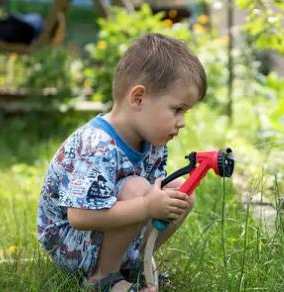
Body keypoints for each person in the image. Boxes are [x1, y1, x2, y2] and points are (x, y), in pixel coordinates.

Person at [37, 33, 207, 292]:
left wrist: (154, 203)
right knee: (138, 189)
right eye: (177, 109)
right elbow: (79, 217)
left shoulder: (152, 143)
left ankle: (133, 264)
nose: (182, 121)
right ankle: (102, 277)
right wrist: (148, 205)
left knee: (180, 194)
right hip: (69, 242)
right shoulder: (98, 144)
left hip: (104, 231)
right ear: (138, 98)